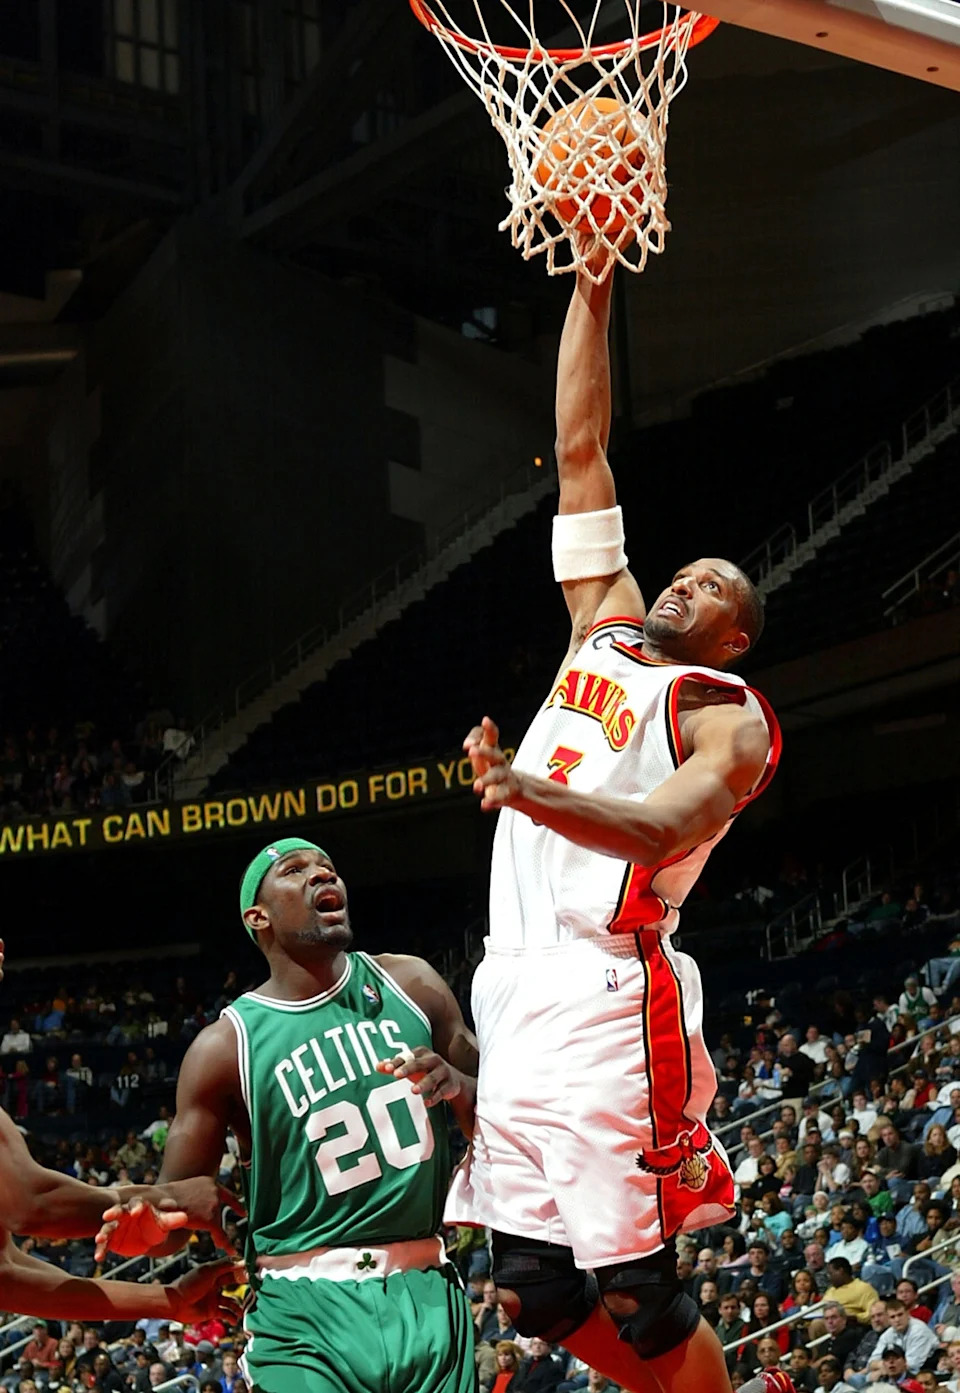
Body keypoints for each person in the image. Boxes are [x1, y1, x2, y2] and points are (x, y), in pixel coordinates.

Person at [446, 257, 781, 1393]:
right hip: (512, 979)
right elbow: (581, 448)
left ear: (737, 639)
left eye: (714, 588)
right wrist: (592, 283)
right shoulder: (608, 626)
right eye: (682, 571)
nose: (684, 584)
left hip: (606, 985)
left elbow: (660, 828)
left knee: (640, 1293)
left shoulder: (732, 714)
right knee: (534, 1291)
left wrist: (532, 790)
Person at [100, 839, 479, 1393]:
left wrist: (463, 1086)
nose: (321, 874)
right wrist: (147, 1238)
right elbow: (175, 1209)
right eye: (294, 870)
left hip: (426, 1289)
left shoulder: (413, 984)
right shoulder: (225, 1047)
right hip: (303, 1305)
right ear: (259, 917)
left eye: (327, 867)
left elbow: (504, 1112)